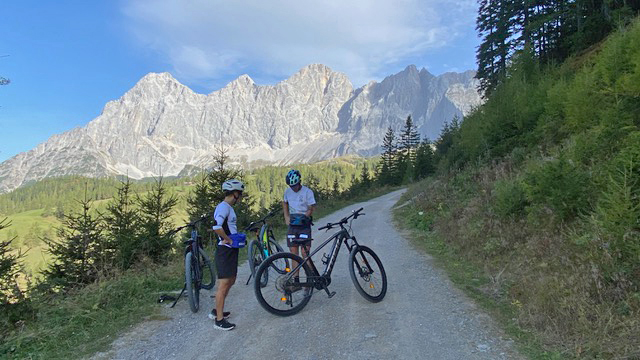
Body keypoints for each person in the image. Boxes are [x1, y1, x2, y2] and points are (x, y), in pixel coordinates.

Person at [208, 179, 244, 331]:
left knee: (232, 279)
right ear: (234, 193)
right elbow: (216, 226)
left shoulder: (228, 207)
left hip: (231, 249)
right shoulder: (223, 207)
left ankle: (218, 310)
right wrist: (227, 239)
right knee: (223, 284)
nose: (240, 197)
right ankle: (219, 320)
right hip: (225, 250)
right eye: (239, 194)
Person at [283, 169, 316, 263]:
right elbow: (284, 203)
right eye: (291, 186)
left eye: (295, 186)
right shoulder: (287, 192)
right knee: (294, 254)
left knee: (305, 253)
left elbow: (312, 207)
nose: (293, 188)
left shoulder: (308, 192)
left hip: (304, 224)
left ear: (299, 182)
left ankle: (310, 276)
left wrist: (306, 216)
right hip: (292, 224)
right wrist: (286, 216)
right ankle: (296, 278)